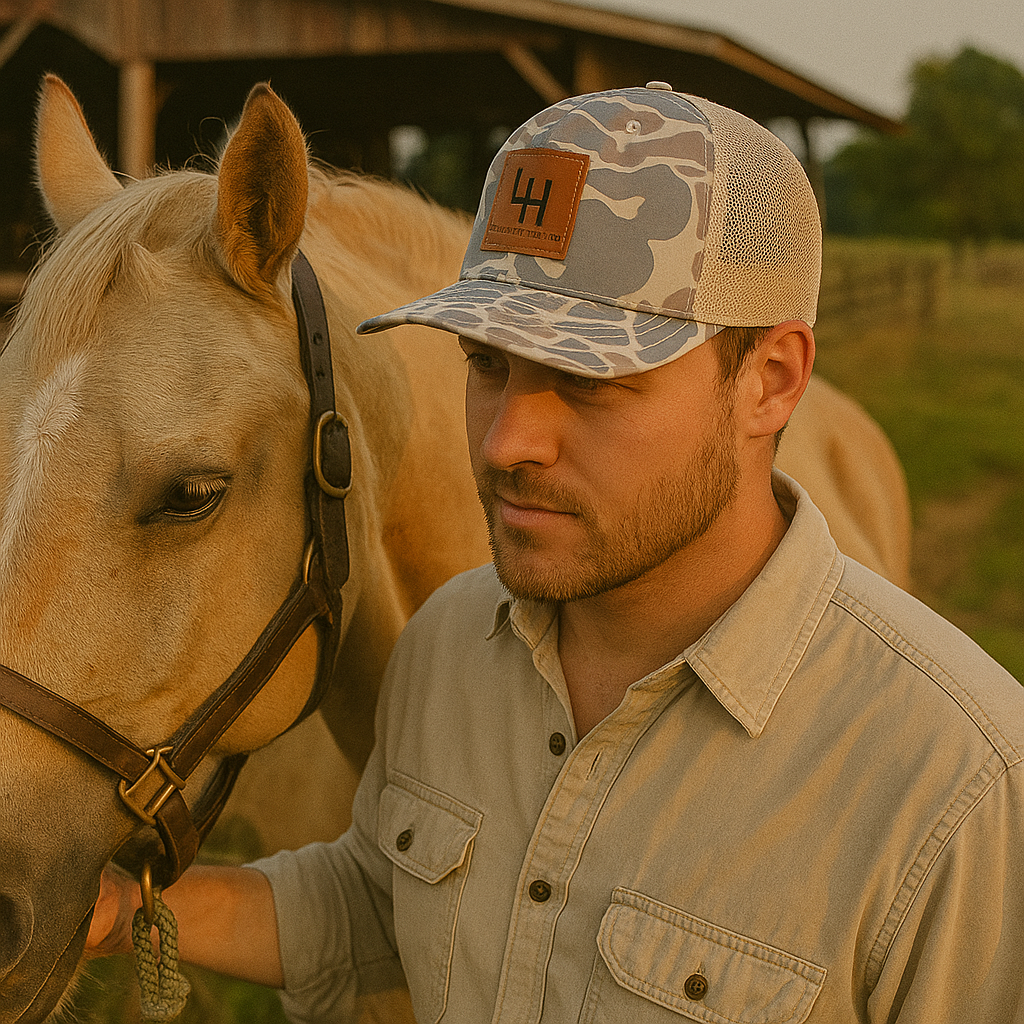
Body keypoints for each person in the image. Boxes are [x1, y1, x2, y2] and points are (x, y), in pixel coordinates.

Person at [89, 84, 1024, 1022]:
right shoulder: (450, 644)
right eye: (487, 364)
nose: (503, 443)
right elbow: (377, 900)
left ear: (769, 382)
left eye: (586, 376)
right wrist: (128, 907)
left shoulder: (961, 792)